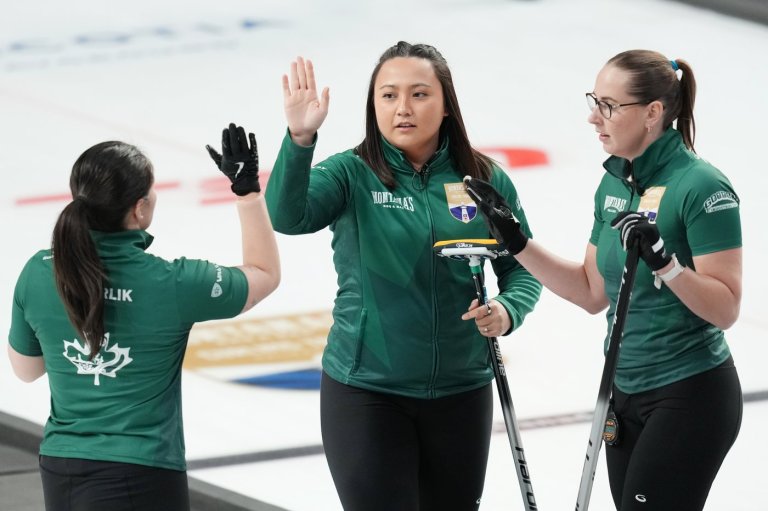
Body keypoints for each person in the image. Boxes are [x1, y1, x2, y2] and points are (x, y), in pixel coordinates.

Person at [265, 42, 542, 510]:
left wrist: (507, 309)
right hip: (367, 391)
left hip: (462, 390)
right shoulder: (350, 173)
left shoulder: (484, 178)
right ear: (373, 105)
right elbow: (287, 217)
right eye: (389, 95)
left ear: (446, 104)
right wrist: (299, 139)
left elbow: (524, 269)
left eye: (419, 94)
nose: (403, 108)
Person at [466, 49, 742, 511]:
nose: (593, 117)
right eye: (595, 101)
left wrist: (667, 264)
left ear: (652, 113)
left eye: (609, 106)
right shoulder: (614, 184)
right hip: (624, 390)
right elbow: (592, 291)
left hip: (689, 391)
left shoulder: (702, 187)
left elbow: (726, 307)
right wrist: (516, 241)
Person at [7, 124, 280, 511]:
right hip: (141, 474)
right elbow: (264, 274)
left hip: (61, 467)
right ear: (139, 209)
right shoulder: (173, 283)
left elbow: (27, 370)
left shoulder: (39, 271)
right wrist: (247, 192)